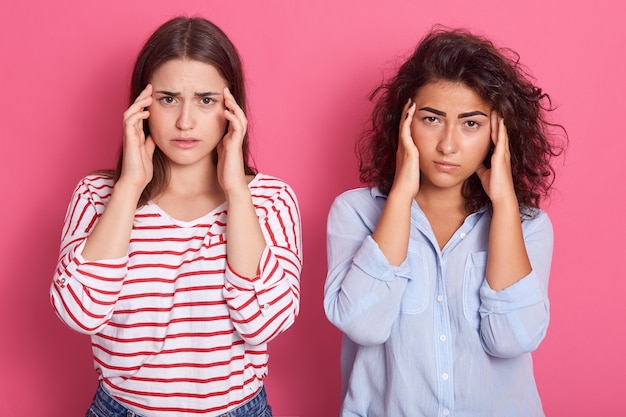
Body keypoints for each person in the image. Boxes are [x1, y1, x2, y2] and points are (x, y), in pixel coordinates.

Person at [50, 16, 302, 417]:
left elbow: (263, 325)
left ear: (231, 107)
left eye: (206, 100)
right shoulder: (98, 195)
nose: (186, 121)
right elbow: (82, 313)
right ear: (142, 106)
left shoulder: (270, 200)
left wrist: (237, 192)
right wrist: (129, 188)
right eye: (168, 99)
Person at [324, 27, 566, 417]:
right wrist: (401, 194)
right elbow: (363, 325)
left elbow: (513, 339)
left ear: (498, 134)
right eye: (432, 119)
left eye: (471, 123)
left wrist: (504, 204)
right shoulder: (355, 213)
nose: (448, 144)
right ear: (404, 120)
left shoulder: (528, 226)